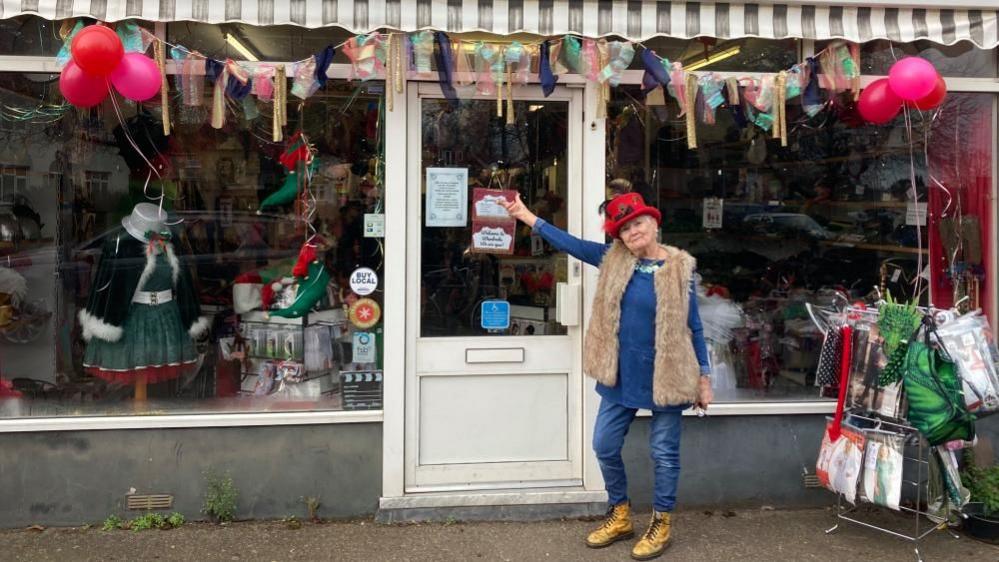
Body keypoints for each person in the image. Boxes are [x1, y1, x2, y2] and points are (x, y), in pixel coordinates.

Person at [502, 191, 712, 560]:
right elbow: (570, 243)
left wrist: (704, 377)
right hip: (621, 372)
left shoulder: (680, 268)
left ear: (654, 223)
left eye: (638, 223)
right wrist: (525, 215)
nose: (633, 232)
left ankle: (661, 521)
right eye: (625, 228)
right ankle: (620, 513)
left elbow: (694, 326)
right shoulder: (613, 260)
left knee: (664, 453)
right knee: (604, 444)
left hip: (669, 372)